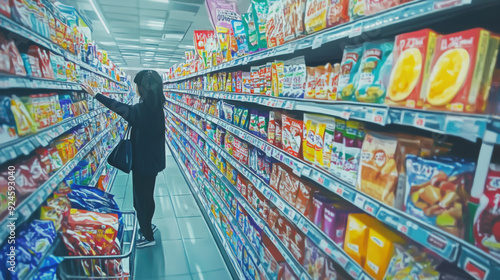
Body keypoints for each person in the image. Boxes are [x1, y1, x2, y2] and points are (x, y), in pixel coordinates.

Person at [81, 70, 166, 248]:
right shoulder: (157, 108)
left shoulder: (141, 110)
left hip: (142, 163)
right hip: (153, 162)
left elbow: (120, 109)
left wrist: (96, 95)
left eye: (137, 86)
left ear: (142, 89)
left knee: (140, 200)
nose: (135, 89)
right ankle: (147, 226)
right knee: (147, 197)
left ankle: (148, 236)